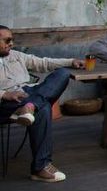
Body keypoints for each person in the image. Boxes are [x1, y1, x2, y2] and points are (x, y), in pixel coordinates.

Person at [0, 24, 84, 182]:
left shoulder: (16, 55)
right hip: (5, 103)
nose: (11, 43)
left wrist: (71, 61)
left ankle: (30, 107)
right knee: (43, 108)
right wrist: (5, 94)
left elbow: (44, 63)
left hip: (27, 94)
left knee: (63, 73)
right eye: (7, 40)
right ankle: (41, 167)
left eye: (12, 40)